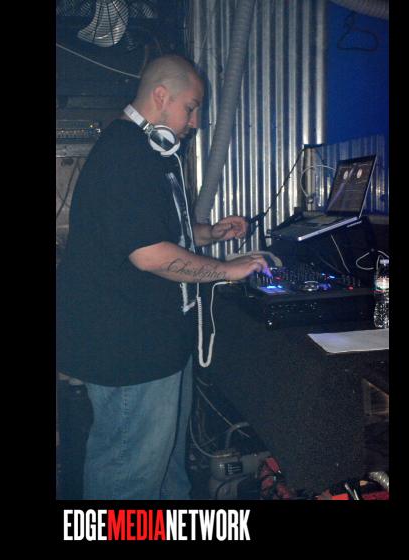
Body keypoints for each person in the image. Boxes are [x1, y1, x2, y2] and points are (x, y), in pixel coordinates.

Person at [56, 54, 269, 500]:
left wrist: (209, 233)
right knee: (129, 478)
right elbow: (150, 255)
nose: (195, 122)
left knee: (164, 470)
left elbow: (154, 232)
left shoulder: (152, 152)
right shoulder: (125, 154)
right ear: (160, 96)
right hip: (128, 349)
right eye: (190, 108)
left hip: (154, 344)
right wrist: (226, 270)